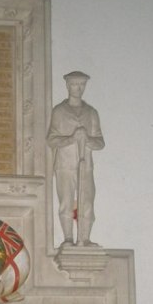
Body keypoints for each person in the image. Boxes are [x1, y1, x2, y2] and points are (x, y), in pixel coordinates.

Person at [47, 71, 105, 247]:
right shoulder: (59, 111)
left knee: (87, 201)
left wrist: (87, 138)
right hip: (65, 164)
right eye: (74, 84)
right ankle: (68, 238)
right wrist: (71, 138)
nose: (78, 88)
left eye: (81, 85)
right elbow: (52, 139)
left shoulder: (91, 112)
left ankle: (85, 238)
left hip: (85, 164)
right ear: (68, 86)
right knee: (66, 201)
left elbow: (100, 142)